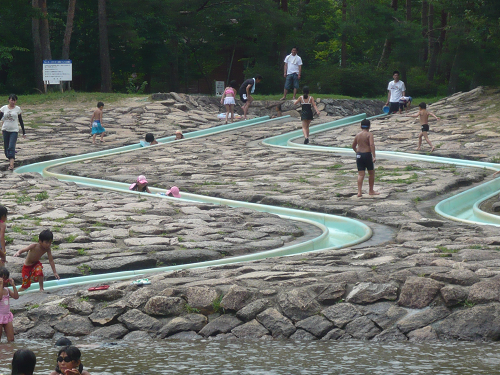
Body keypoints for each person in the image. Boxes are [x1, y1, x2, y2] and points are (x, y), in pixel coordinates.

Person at [352, 119, 379, 197]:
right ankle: (371, 190)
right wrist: (374, 156)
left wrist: (357, 151)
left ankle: (359, 192)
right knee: (371, 173)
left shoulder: (358, 135)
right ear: (369, 127)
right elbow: (371, 145)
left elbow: (353, 146)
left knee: (360, 174)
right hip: (367, 154)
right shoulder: (369, 134)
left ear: (361, 127)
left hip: (359, 155)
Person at [0, 94, 26, 171]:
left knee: (11, 146)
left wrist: (24, 132)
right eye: (12, 100)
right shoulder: (4, 108)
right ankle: (10, 157)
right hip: (5, 130)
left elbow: (21, 121)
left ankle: (11, 165)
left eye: (14, 100)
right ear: (9, 100)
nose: (13, 102)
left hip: (14, 130)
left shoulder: (17, 109)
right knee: (6, 148)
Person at [0, 267, 18, 342]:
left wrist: (13, 285)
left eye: (6, 279)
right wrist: (1, 284)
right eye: (3, 279)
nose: (5, 281)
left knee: (11, 339)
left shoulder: (7, 290)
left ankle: (9, 352)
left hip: (7, 315)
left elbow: (16, 297)